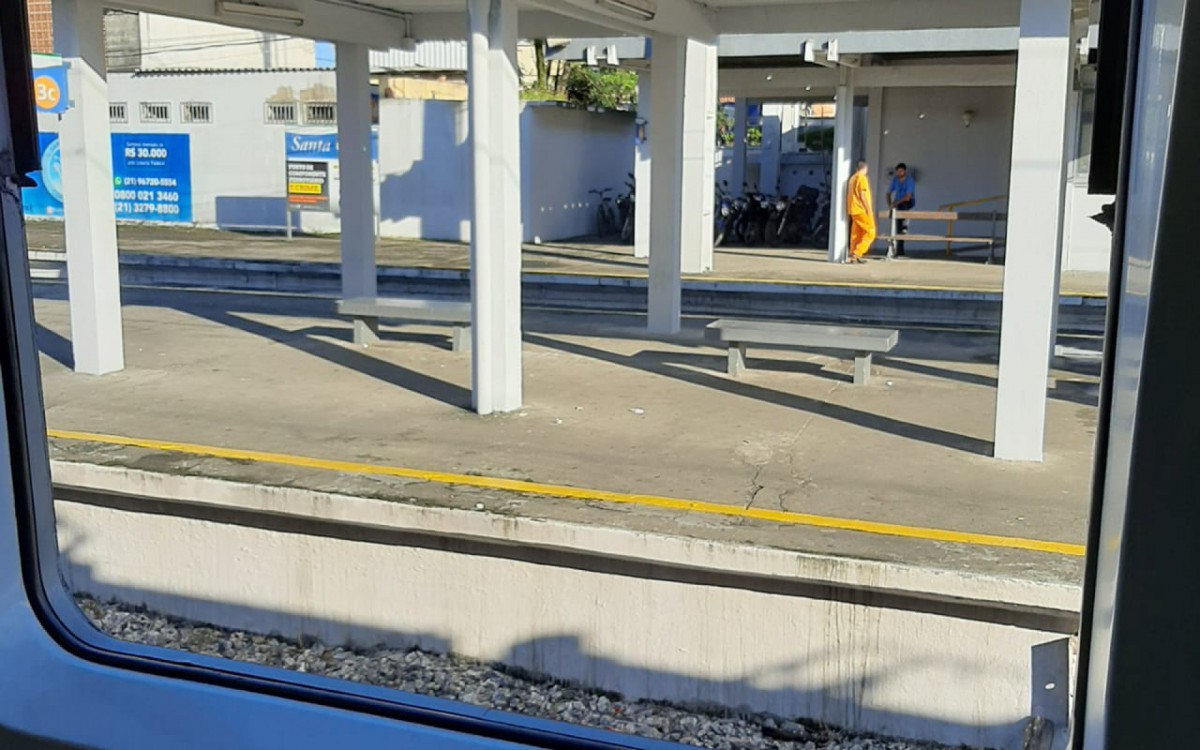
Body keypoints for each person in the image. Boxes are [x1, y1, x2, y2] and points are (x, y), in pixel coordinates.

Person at [846, 161, 875, 264]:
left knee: (856, 233)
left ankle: (853, 256)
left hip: (853, 209)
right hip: (861, 209)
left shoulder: (853, 178)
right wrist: (868, 209)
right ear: (865, 169)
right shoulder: (862, 178)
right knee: (870, 232)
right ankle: (857, 252)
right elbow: (862, 195)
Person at [887, 162, 916, 256]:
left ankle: (905, 226)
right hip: (898, 202)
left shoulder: (909, 180)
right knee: (897, 226)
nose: (900, 173)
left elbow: (907, 197)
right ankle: (900, 250)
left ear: (905, 171)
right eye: (898, 171)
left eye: (901, 171)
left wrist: (895, 203)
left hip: (908, 201)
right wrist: (890, 204)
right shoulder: (895, 180)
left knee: (904, 206)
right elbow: (888, 193)